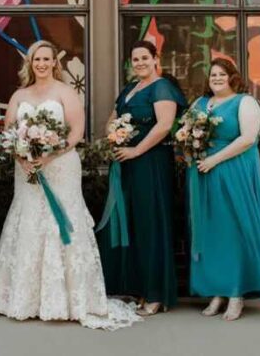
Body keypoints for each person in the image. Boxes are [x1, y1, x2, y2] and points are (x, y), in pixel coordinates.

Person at [0, 41, 140, 330]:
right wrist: (22, 157)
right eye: (36, 59)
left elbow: (76, 132)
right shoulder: (19, 94)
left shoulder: (65, 92)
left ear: (54, 62)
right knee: (29, 219)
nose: (41, 64)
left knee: (63, 222)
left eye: (46, 59)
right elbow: (9, 132)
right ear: (29, 63)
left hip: (60, 167)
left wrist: (49, 155)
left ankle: (69, 299)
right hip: (27, 170)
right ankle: (26, 298)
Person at [186, 58, 260, 320]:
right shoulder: (200, 104)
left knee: (233, 231)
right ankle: (217, 291)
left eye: (221, 74)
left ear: (232, 77)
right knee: (211, 232)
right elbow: (185, 131)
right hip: (203, 173)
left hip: (232, 171)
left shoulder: (244, 102)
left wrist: (214, 159)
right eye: (212, 74)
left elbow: (248, 138)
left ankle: (236, 293)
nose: (216, 78)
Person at [97, 41, 187, 316]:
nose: (139, 63)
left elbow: (163, 126)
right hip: (128, 165)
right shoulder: (129, 89)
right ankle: (139, 287)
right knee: (133, 224)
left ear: (155, 59)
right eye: (135, 59)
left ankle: (156, 293)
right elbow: (112, 120)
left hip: (151, 163)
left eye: (144, 58)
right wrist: (115, 135)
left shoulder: (162, 88)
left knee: (151, 224)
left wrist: (136, 148)